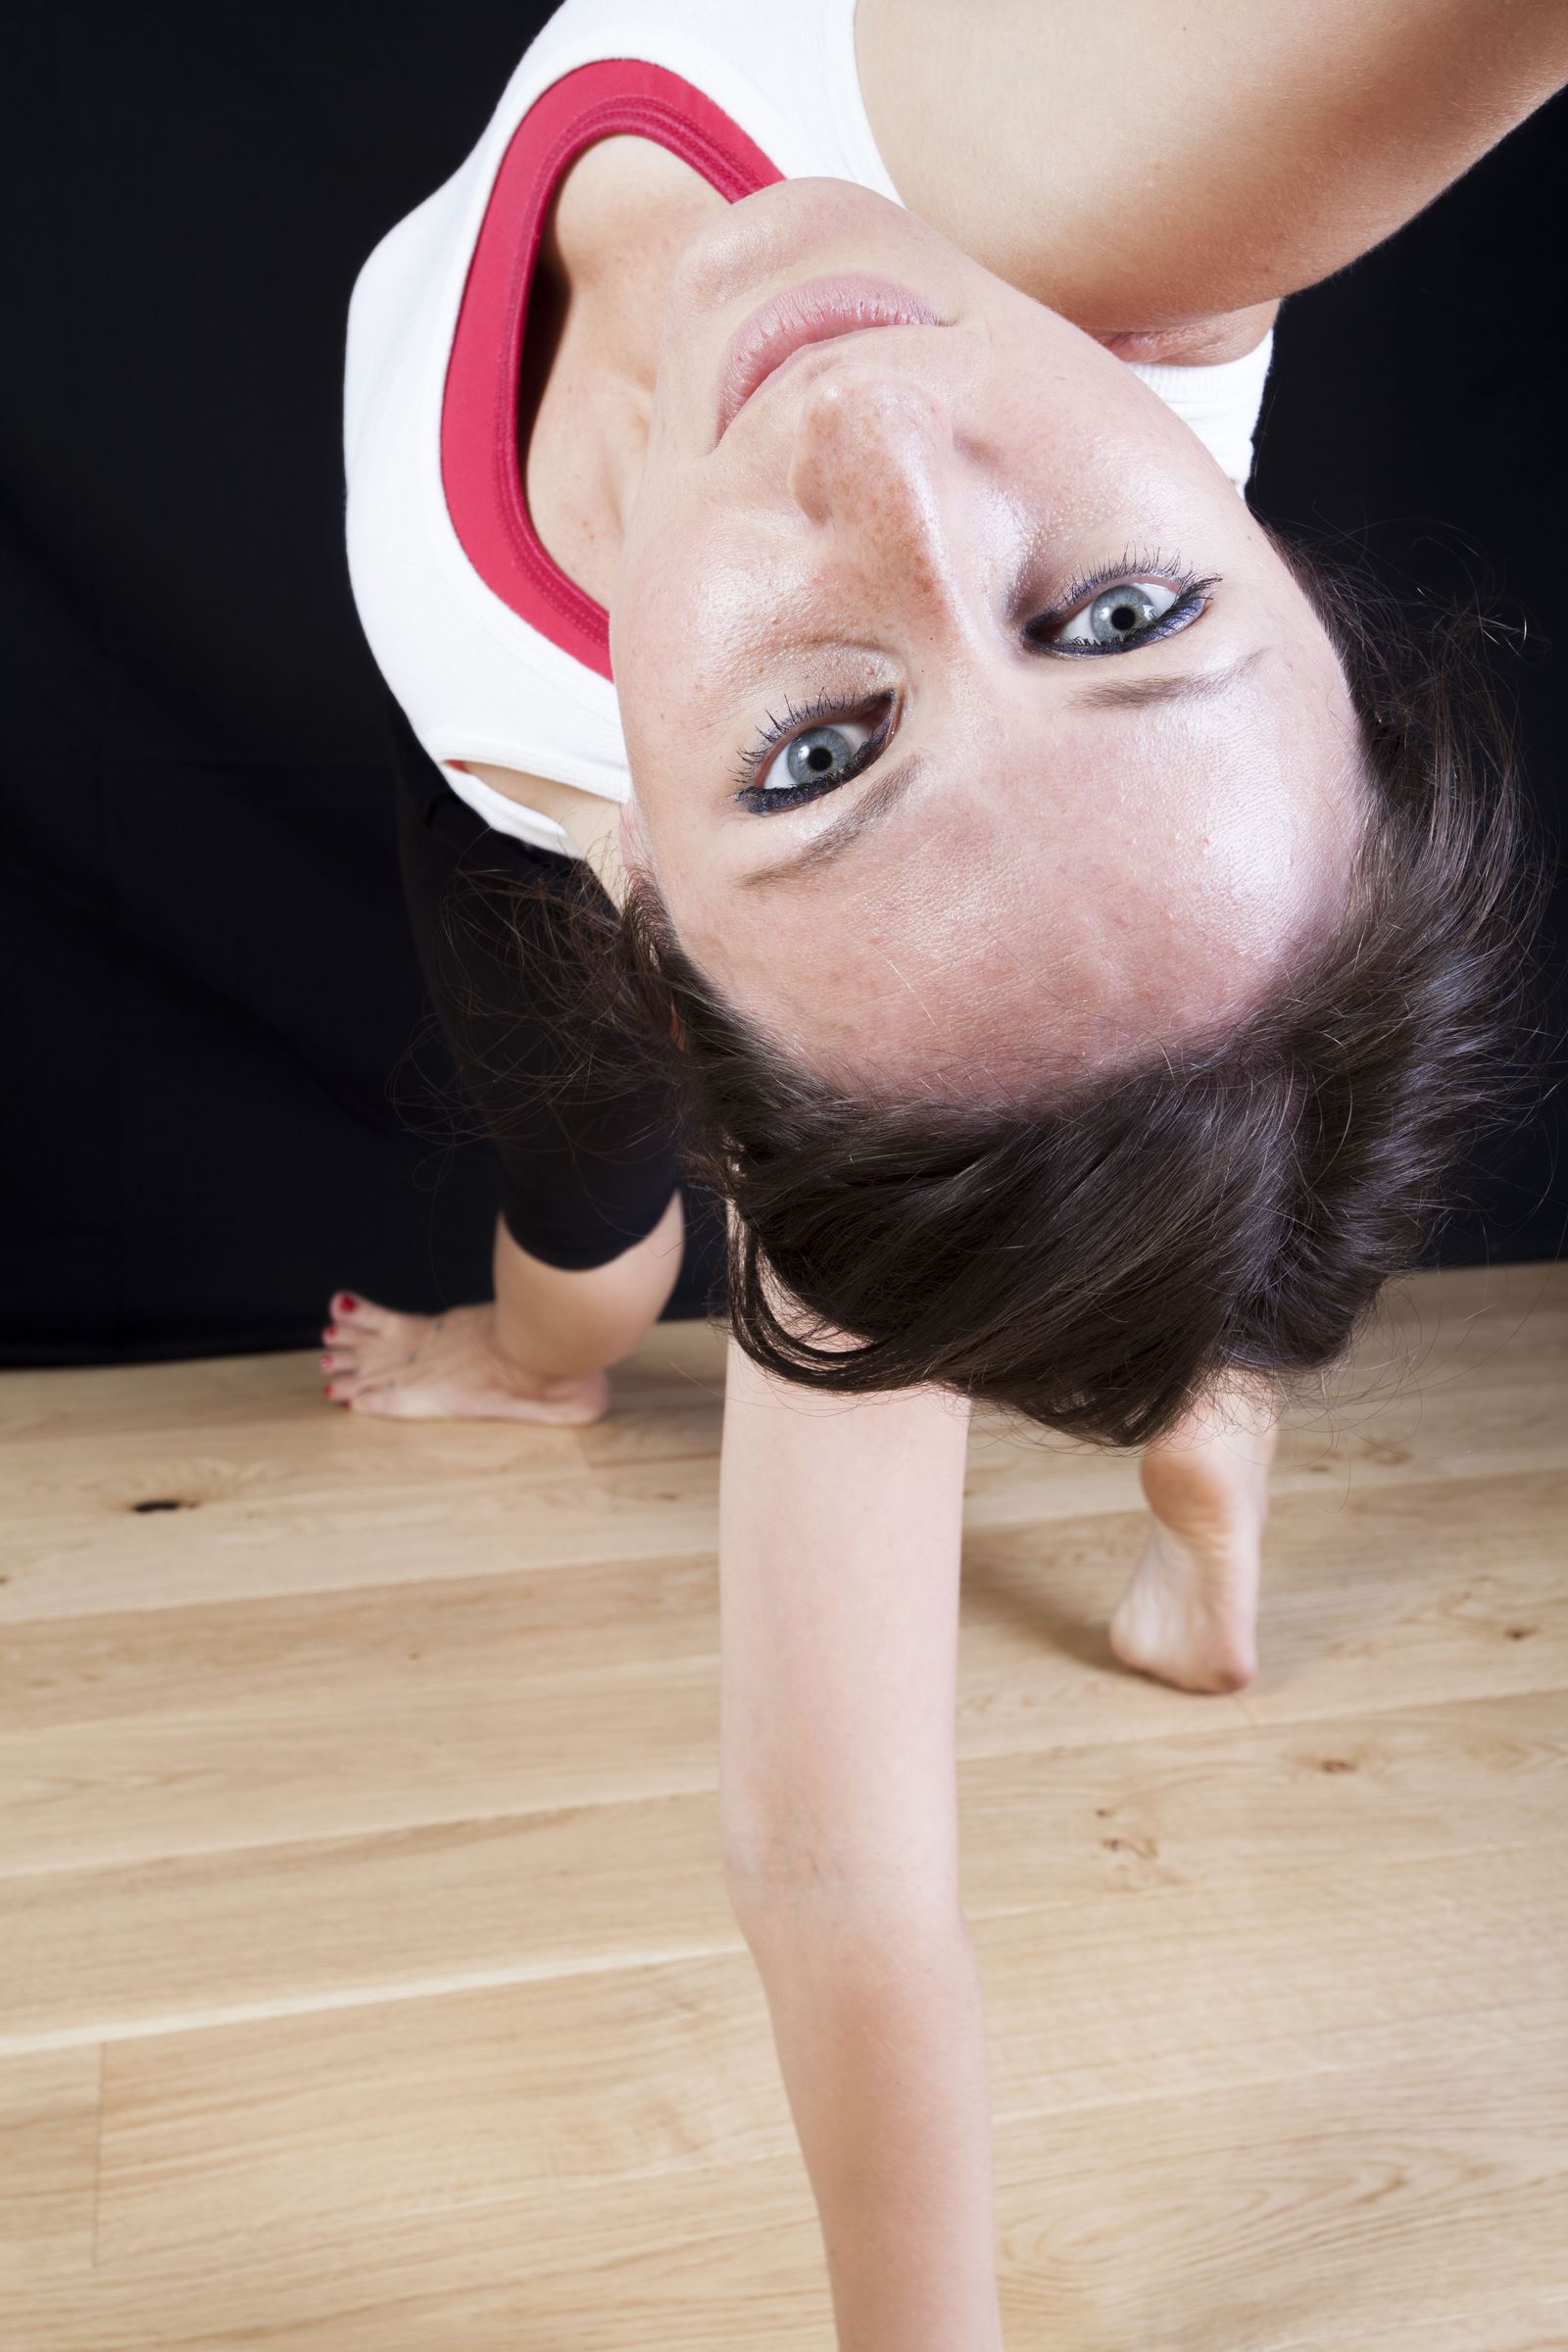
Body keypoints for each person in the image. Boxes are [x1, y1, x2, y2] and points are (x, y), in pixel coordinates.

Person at [333, 8, 1564, 2340]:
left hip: (484, 781)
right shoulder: (1101, 201)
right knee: (1160, 1157)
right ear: (1307, 617)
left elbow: (834, 1870)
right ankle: (1198, 1464)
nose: (876, 435)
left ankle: (545, 1363)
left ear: (661, 937)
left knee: (581, 1283)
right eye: (1121, 618)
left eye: (817, 753)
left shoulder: (770, 988)